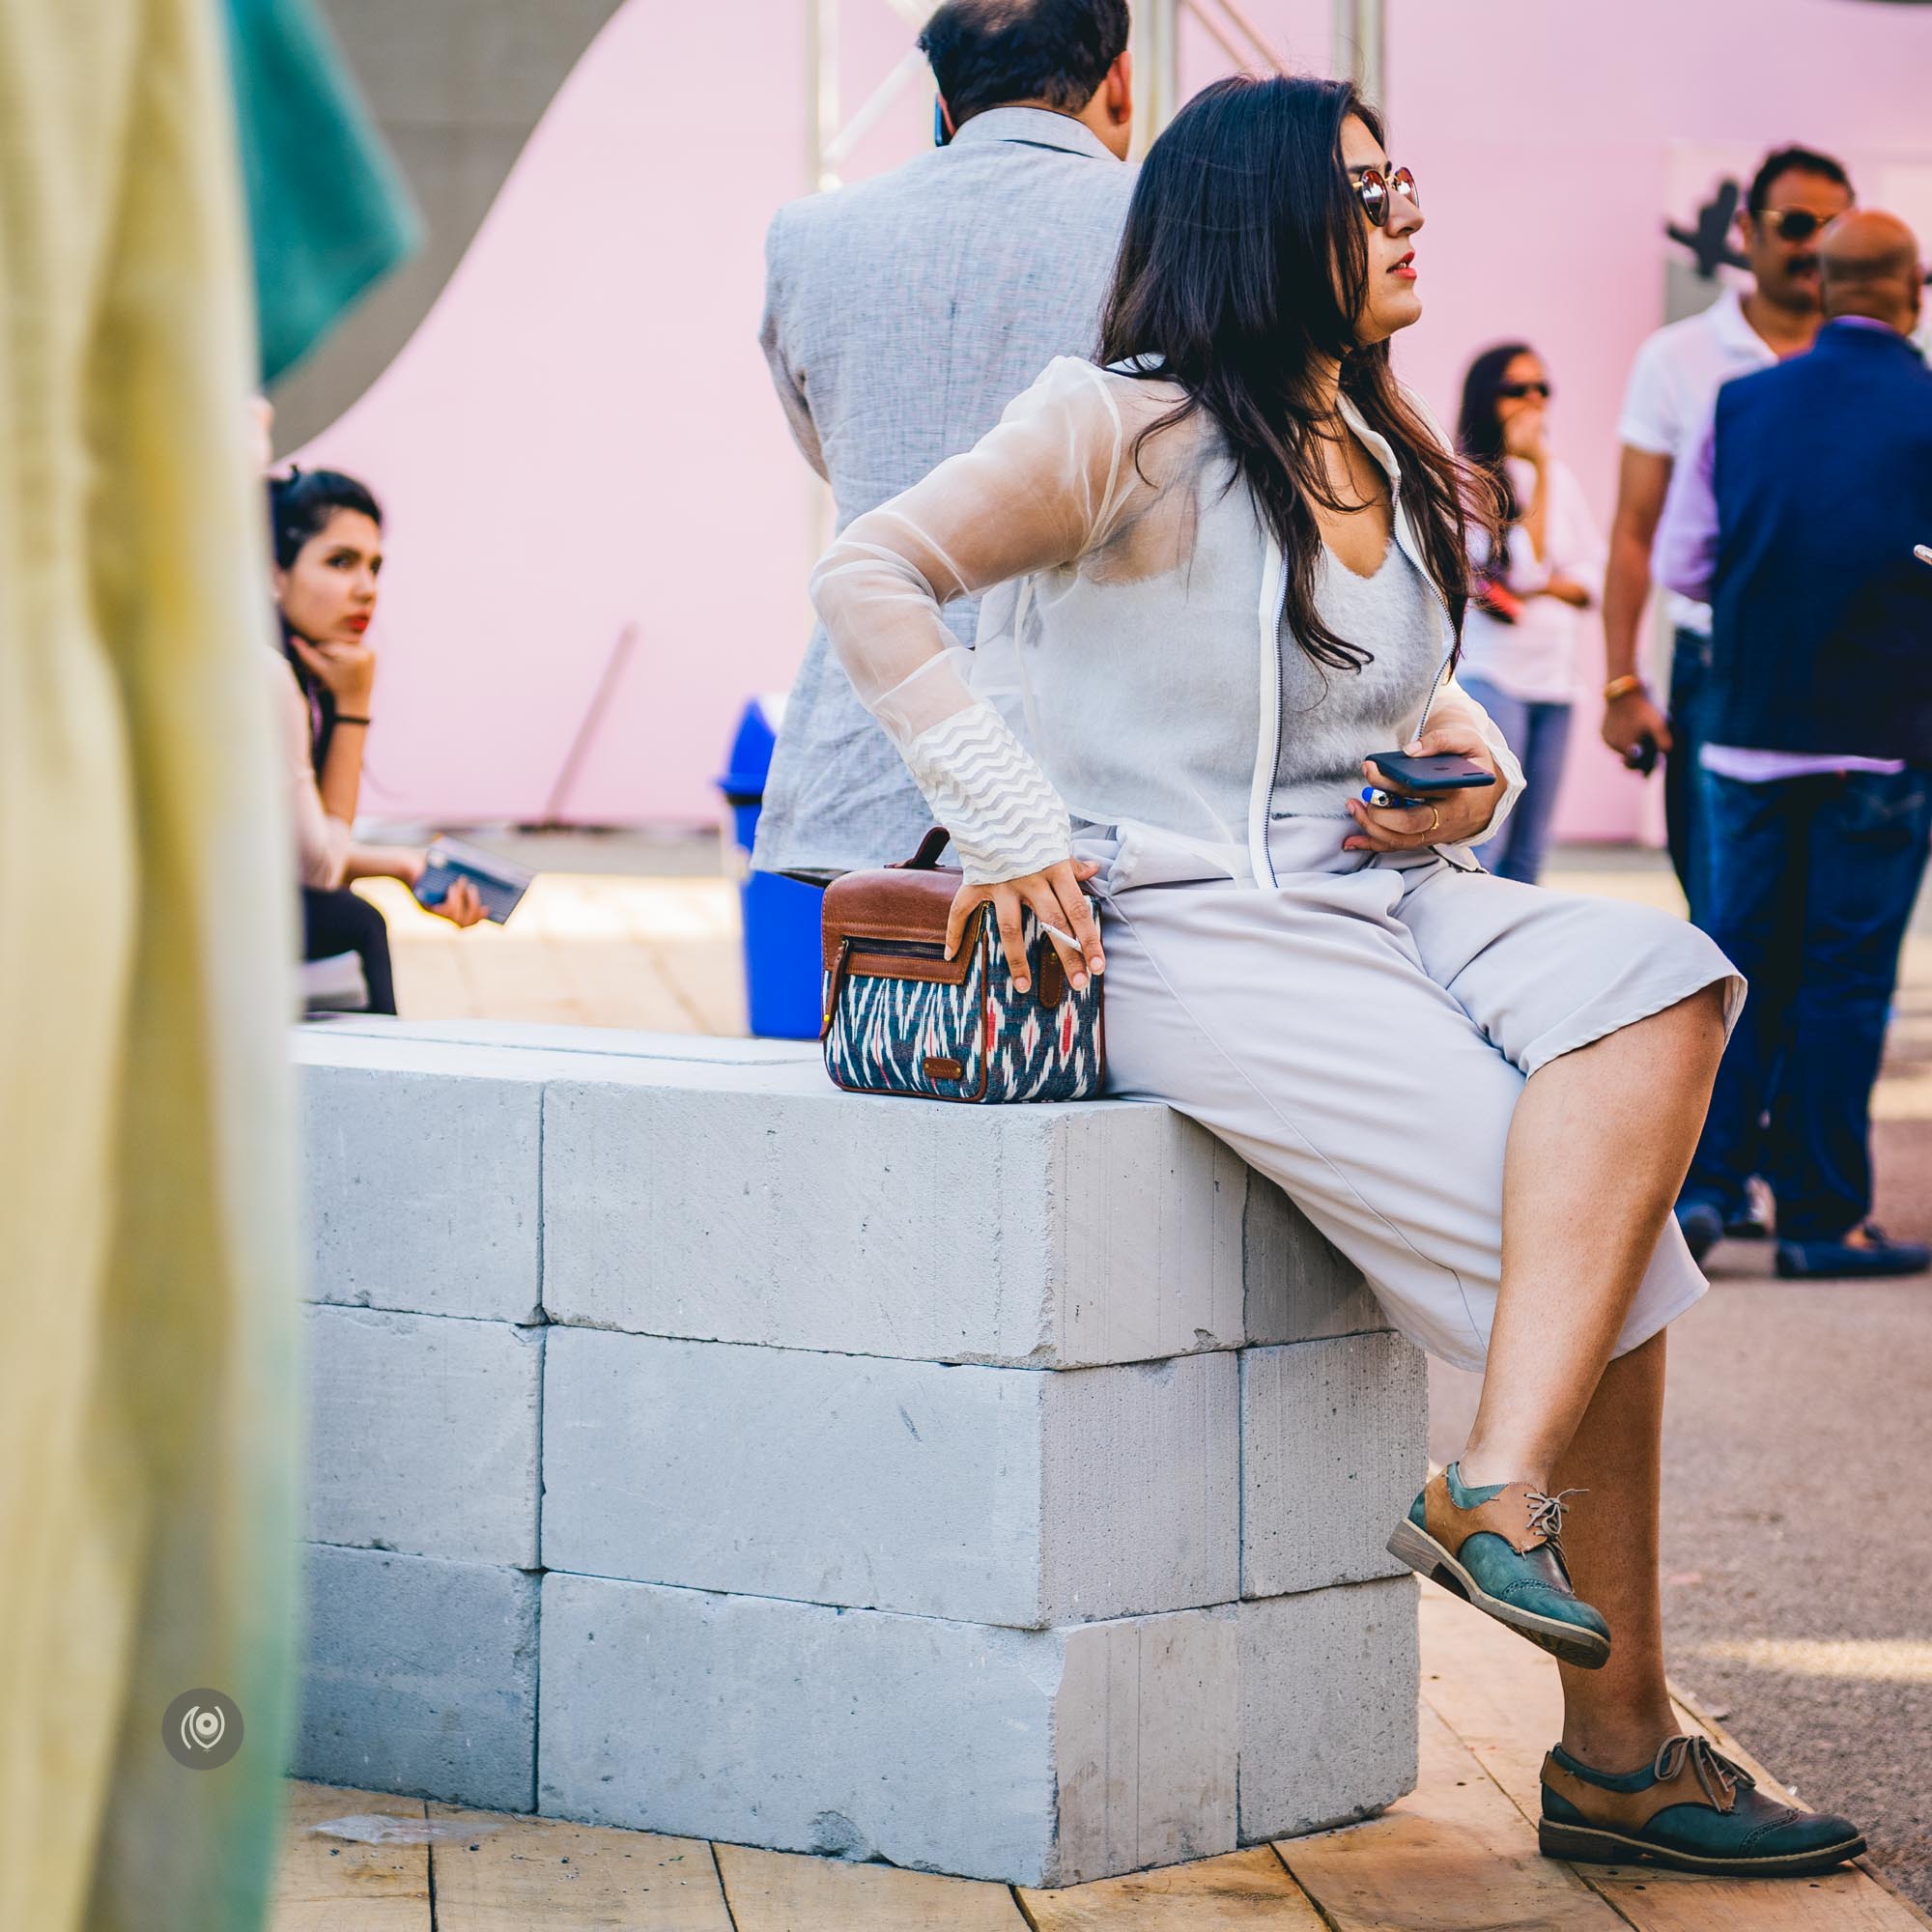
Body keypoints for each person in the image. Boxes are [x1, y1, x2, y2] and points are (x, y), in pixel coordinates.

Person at [810, 73, 1866, 1878]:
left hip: (1386, 889)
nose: (1408, 218)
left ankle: (1494, 1492)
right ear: (1257, 219)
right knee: (1603, 1248)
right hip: (1183, 924)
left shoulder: (1375, 448)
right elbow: (873, 572)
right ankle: (1618, 1749)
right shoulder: (1117, 428)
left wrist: (1476, 769)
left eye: (1406, 186)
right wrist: (1004, 821)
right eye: (1367, 191)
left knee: (1674, 975)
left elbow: (1390, 696)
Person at [752, 0, 1138, 881]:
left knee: (881, 1011)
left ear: (943, 97)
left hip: (870, 745)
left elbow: (827, 447)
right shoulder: (1173, 227)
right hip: (1094, 758)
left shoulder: (808, 236)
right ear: (1117, 78)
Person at [1656, 213, 1932, 1281]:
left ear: (1816, 286)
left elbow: (1685, 564)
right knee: (1846, 977)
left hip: (1746, 733)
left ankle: (1707, 1186)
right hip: (1883, 740)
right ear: (1909, 289)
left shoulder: (1740, 403)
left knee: (1738, 967)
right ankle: (1820, 1217)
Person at [1602, 145, 1854, 921]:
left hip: (1850, 675)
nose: (1814, 245)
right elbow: (1635, 532)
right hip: (1721, 670)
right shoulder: (1677, 359)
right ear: (1746, 229)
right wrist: (1621, 685)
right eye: (1797, 223)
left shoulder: (1876, 367)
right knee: (1726, 920)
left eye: (1834, 227)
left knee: (1837, 924)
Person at [270, 469, 484, 1014]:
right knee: (353, 922)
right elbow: (315, 868)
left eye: (374, 566)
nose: (366, 589)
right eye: (340, 562)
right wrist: (355, 708)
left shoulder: (285, 671)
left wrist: (406, 865)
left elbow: (291, 850)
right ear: (273, 574)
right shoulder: (266, 677)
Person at [1453, 344, 1604, 885]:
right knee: (1490, 842)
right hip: (1496, 678)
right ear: (1487, 398)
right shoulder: (1468, 478)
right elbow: (1527, 572)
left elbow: (1592, 579)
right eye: (1517, 389)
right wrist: (1536, 469)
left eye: (1542, 388)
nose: (1533, 401)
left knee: (1532, 853)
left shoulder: (1559, 479)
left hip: (1556, 681)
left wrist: (1543, 586)